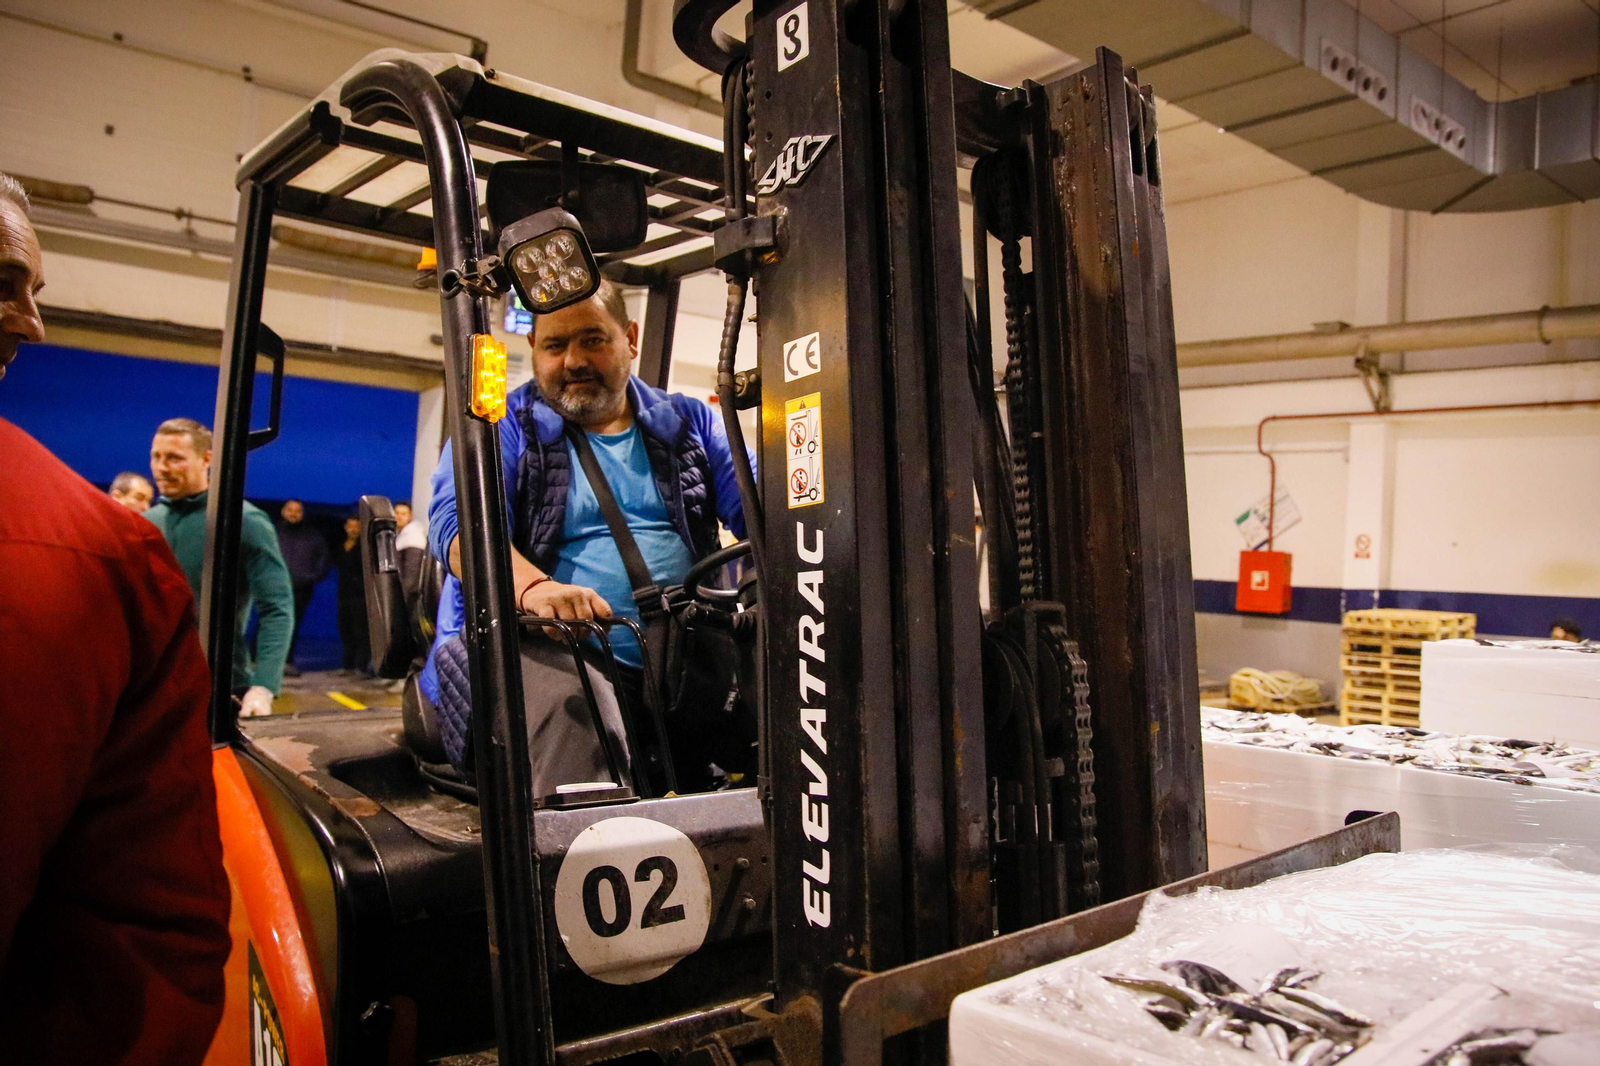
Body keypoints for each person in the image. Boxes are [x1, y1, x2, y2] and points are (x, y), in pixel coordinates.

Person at [0, 173, 231, 1064]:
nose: (31, 321)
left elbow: (272, 603)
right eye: (155, 458)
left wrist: (252, 680)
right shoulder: (128, 536)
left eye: (177, 458)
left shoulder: (165, 539)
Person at [421, 279, 749, 793]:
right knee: (576, 719)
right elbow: (459, 527)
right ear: (534, 348)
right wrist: (536, 590)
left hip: (682, 661)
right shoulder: (503, 426)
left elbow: (766, 511)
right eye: (555, 345)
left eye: (593, 340)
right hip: (546, 648)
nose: (572, 360)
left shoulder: (689, 423)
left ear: (631, 338)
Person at [145, 418, 294, 717]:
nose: (162, 468)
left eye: (174, 458)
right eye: (156, 457)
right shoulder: (147, 523)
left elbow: (277, 607)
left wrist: (264, 686)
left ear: (206, 459)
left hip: (219, 689)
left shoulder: (244, 521)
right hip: (150, 687)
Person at [275, 498, 330, 677]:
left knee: (293, 625)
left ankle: (287, 661)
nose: (293, 513)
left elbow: (323, 559)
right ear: (283, 511)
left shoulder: (312, 536)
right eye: (290, 510)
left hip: (301, 589)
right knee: (269, 623)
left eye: (297, 511)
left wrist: (312, 578)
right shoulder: (274, 532)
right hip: (274, 588)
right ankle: (265, 664)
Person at [336, 513, 371, 674]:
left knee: (361, 632)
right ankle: (347, 665)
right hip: (344, 595)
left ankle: (361, 666)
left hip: (361, 596)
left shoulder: (366, 547)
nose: (353, 529)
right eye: (350, 526)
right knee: (346, 629)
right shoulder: (341, 545)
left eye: (356, 526)